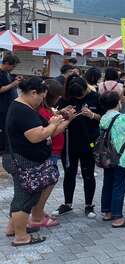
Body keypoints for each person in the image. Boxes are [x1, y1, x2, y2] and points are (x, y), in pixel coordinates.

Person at [4, 77, 65, 246]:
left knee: (21, 195)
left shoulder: (23, 107)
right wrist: (52, 124)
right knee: (24, 199)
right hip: (24, 160)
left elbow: (46, 130)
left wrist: (58, 122)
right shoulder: (22, 111)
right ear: (33, 93)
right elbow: (36, 136)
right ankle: (21, 237)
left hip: (21, 158)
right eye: (41, 96)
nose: (41, 100)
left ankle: (13, 228)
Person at [53, 75, 103, 219]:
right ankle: (67, 204)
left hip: (89, 142)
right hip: (69, 143)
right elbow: (55, 115)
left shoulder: (95, 97)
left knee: (88, 174)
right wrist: (63, 112)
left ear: (85, 87)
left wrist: (92, 115)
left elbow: (104, 117)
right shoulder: (66, 98)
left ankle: (89, 205)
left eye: (81, 95)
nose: (79, 98)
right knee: (69, 173)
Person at [30, 80, 73, 229]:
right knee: (47, 183)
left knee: (48, 182)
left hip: (53, 150)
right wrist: (68, 120)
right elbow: (52, 132)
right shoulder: (41, 110)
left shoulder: (44, 108)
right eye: (58, 97)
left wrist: (60, 113)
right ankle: (36, 216)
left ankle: (38, 212)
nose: (60, 99)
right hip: (50, 150)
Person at [99, 91, 125, 227]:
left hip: (108, 156)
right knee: (119, 185)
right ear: (118, 103)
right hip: (123, 157)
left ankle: (107, 212)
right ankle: (118, 218)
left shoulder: (104, 118)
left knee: (108, 183)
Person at [0, 53, 21, 153]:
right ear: (7, 63)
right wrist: (13, 84)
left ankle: (6, 147)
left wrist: (15, 80)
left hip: (8, 106)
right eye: (13, 66)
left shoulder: (7, 73)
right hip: (2, 107)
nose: (13, 68)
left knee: (7, 127)